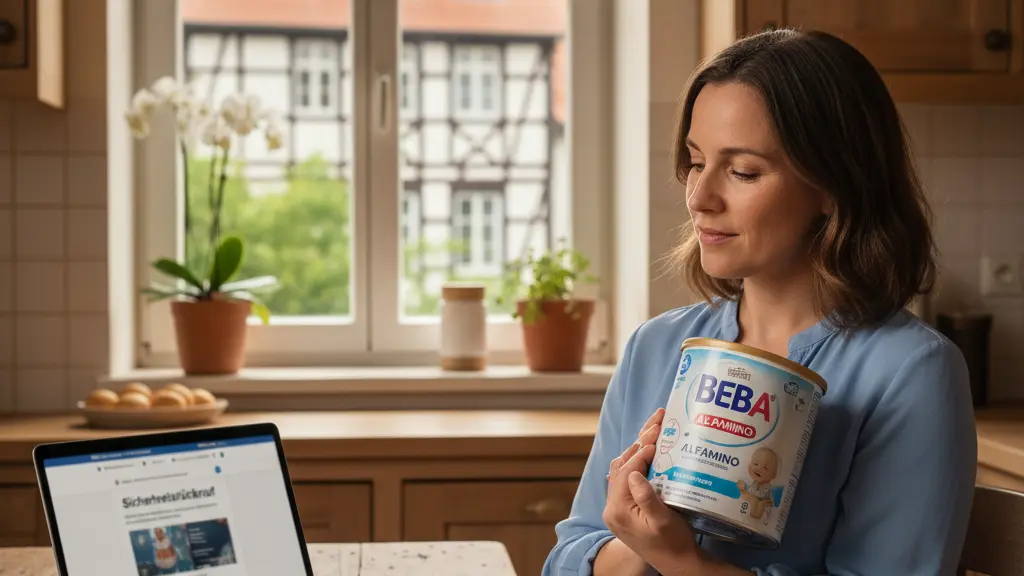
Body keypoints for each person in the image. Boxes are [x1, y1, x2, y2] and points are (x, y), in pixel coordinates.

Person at [542, 28, 976, 576]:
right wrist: (637, 541)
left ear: (832, 186)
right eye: (695, 162)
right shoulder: (657, 346)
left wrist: (680, 559)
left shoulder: (910, 372)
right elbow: (567, 557)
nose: (700, 198)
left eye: (742, 171)